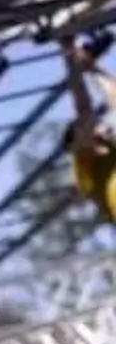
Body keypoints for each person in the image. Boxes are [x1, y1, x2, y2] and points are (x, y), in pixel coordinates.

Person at [64, 33, 116, 223]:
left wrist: (88, 67)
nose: (101, 128)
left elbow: (87, 107)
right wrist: (68, 54)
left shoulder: (102, 150)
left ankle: (89, 64)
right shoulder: (84, 161)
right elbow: (83, 108)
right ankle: (88, 64)